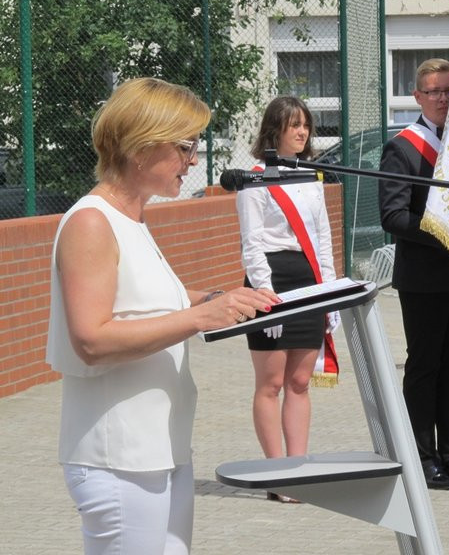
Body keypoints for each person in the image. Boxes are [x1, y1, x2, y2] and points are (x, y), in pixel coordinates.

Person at [46, 77, 280, 554]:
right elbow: (90, 338)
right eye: (186, 146)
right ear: (142, 146)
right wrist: (199, 317)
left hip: (160, 448)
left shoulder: (132, 217)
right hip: (120, 458)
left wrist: (216, 300)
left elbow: (140, 300)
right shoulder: (92, 221)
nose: (193, 161)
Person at [378, 58, 449, 490]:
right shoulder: (403, 148)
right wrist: (447, 236)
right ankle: (422, 457)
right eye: (434, 92)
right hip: (423, 278)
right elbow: (393, 216)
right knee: (425, 367)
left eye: (448, 91)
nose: (443, 98)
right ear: (418, 97)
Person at [236, 96, 339, 503]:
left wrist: (329, 291)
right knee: (271, 383)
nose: (302, 132)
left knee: (299, 381)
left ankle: (298, 468)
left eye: (306, 126)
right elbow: (252, 242)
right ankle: (276, 474)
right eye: (294, 125)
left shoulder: (311, 176)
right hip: (272, 281)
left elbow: (324, 237)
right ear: (274, 129)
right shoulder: (254, 178)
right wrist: (265, 293)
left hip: (308, 278)